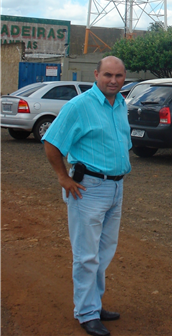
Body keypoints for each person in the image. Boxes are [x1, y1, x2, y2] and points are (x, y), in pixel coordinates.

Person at [43, 56, 131, 336]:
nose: (113, 80)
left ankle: (93, 303)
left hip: (116, 187)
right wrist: (62, 178)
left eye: (118, 76)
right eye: (107, 75)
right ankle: (86, 313)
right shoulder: (79, 106)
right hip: (88, 189)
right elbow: (52, 142)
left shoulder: (120, 104)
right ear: (96, 74)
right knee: (85, 255)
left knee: (103, 253)